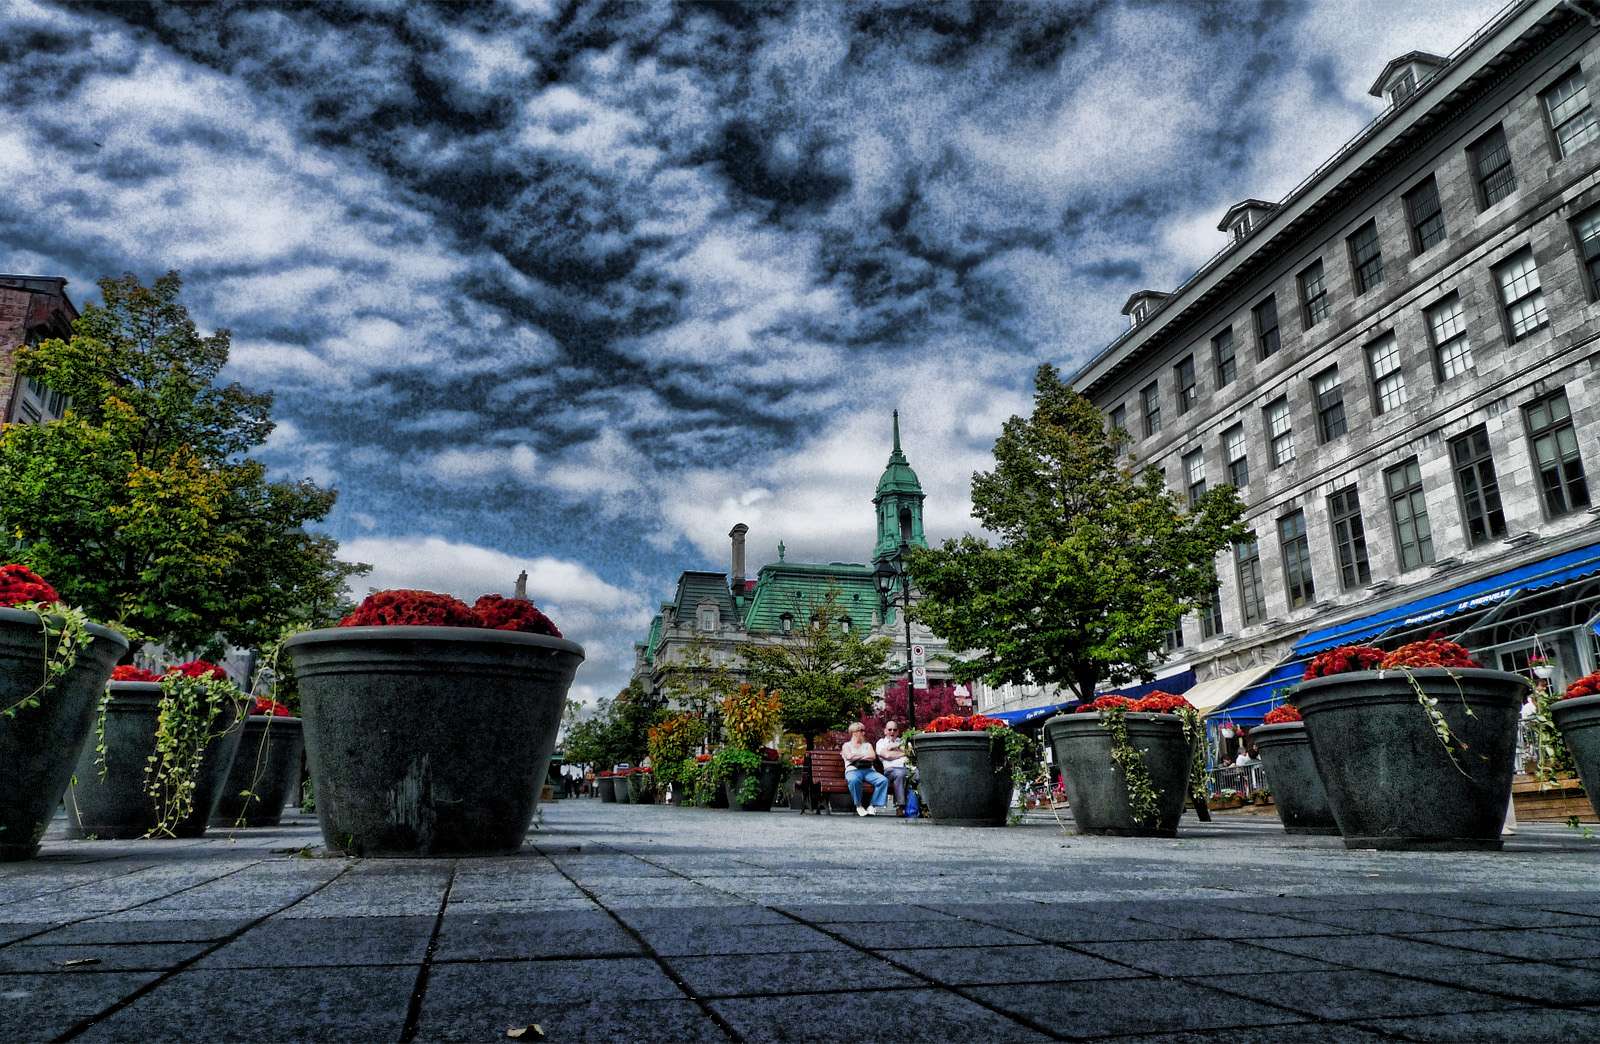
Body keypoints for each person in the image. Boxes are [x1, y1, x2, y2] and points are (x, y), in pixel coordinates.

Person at [841, 723, 889, 817]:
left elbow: (872, 756)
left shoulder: (868, 745)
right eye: (861, 731)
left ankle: (872, 806)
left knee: (883, 780)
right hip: (852, 770)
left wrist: (856, 756)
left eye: (864, 730)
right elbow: (849, 757)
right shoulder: (846, 745)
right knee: (854, 780)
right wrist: (864, 755)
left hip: (868, 770)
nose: (864, 733)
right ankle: (859, 806)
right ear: (854, 733)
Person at [876, 720, 910, 814]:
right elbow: (887, 756)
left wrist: (893, 748)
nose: (892, 732)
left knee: (919, 774)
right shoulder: (881, 742)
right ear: (885, 731)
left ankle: (924, 806)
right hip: (890, 771)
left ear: (898, 732)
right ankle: (900, 806)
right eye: (889, 729)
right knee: (900, 774)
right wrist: (903, 753)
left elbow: (910, 753)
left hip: (906, 769)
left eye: (894, 730)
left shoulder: (902, 741)